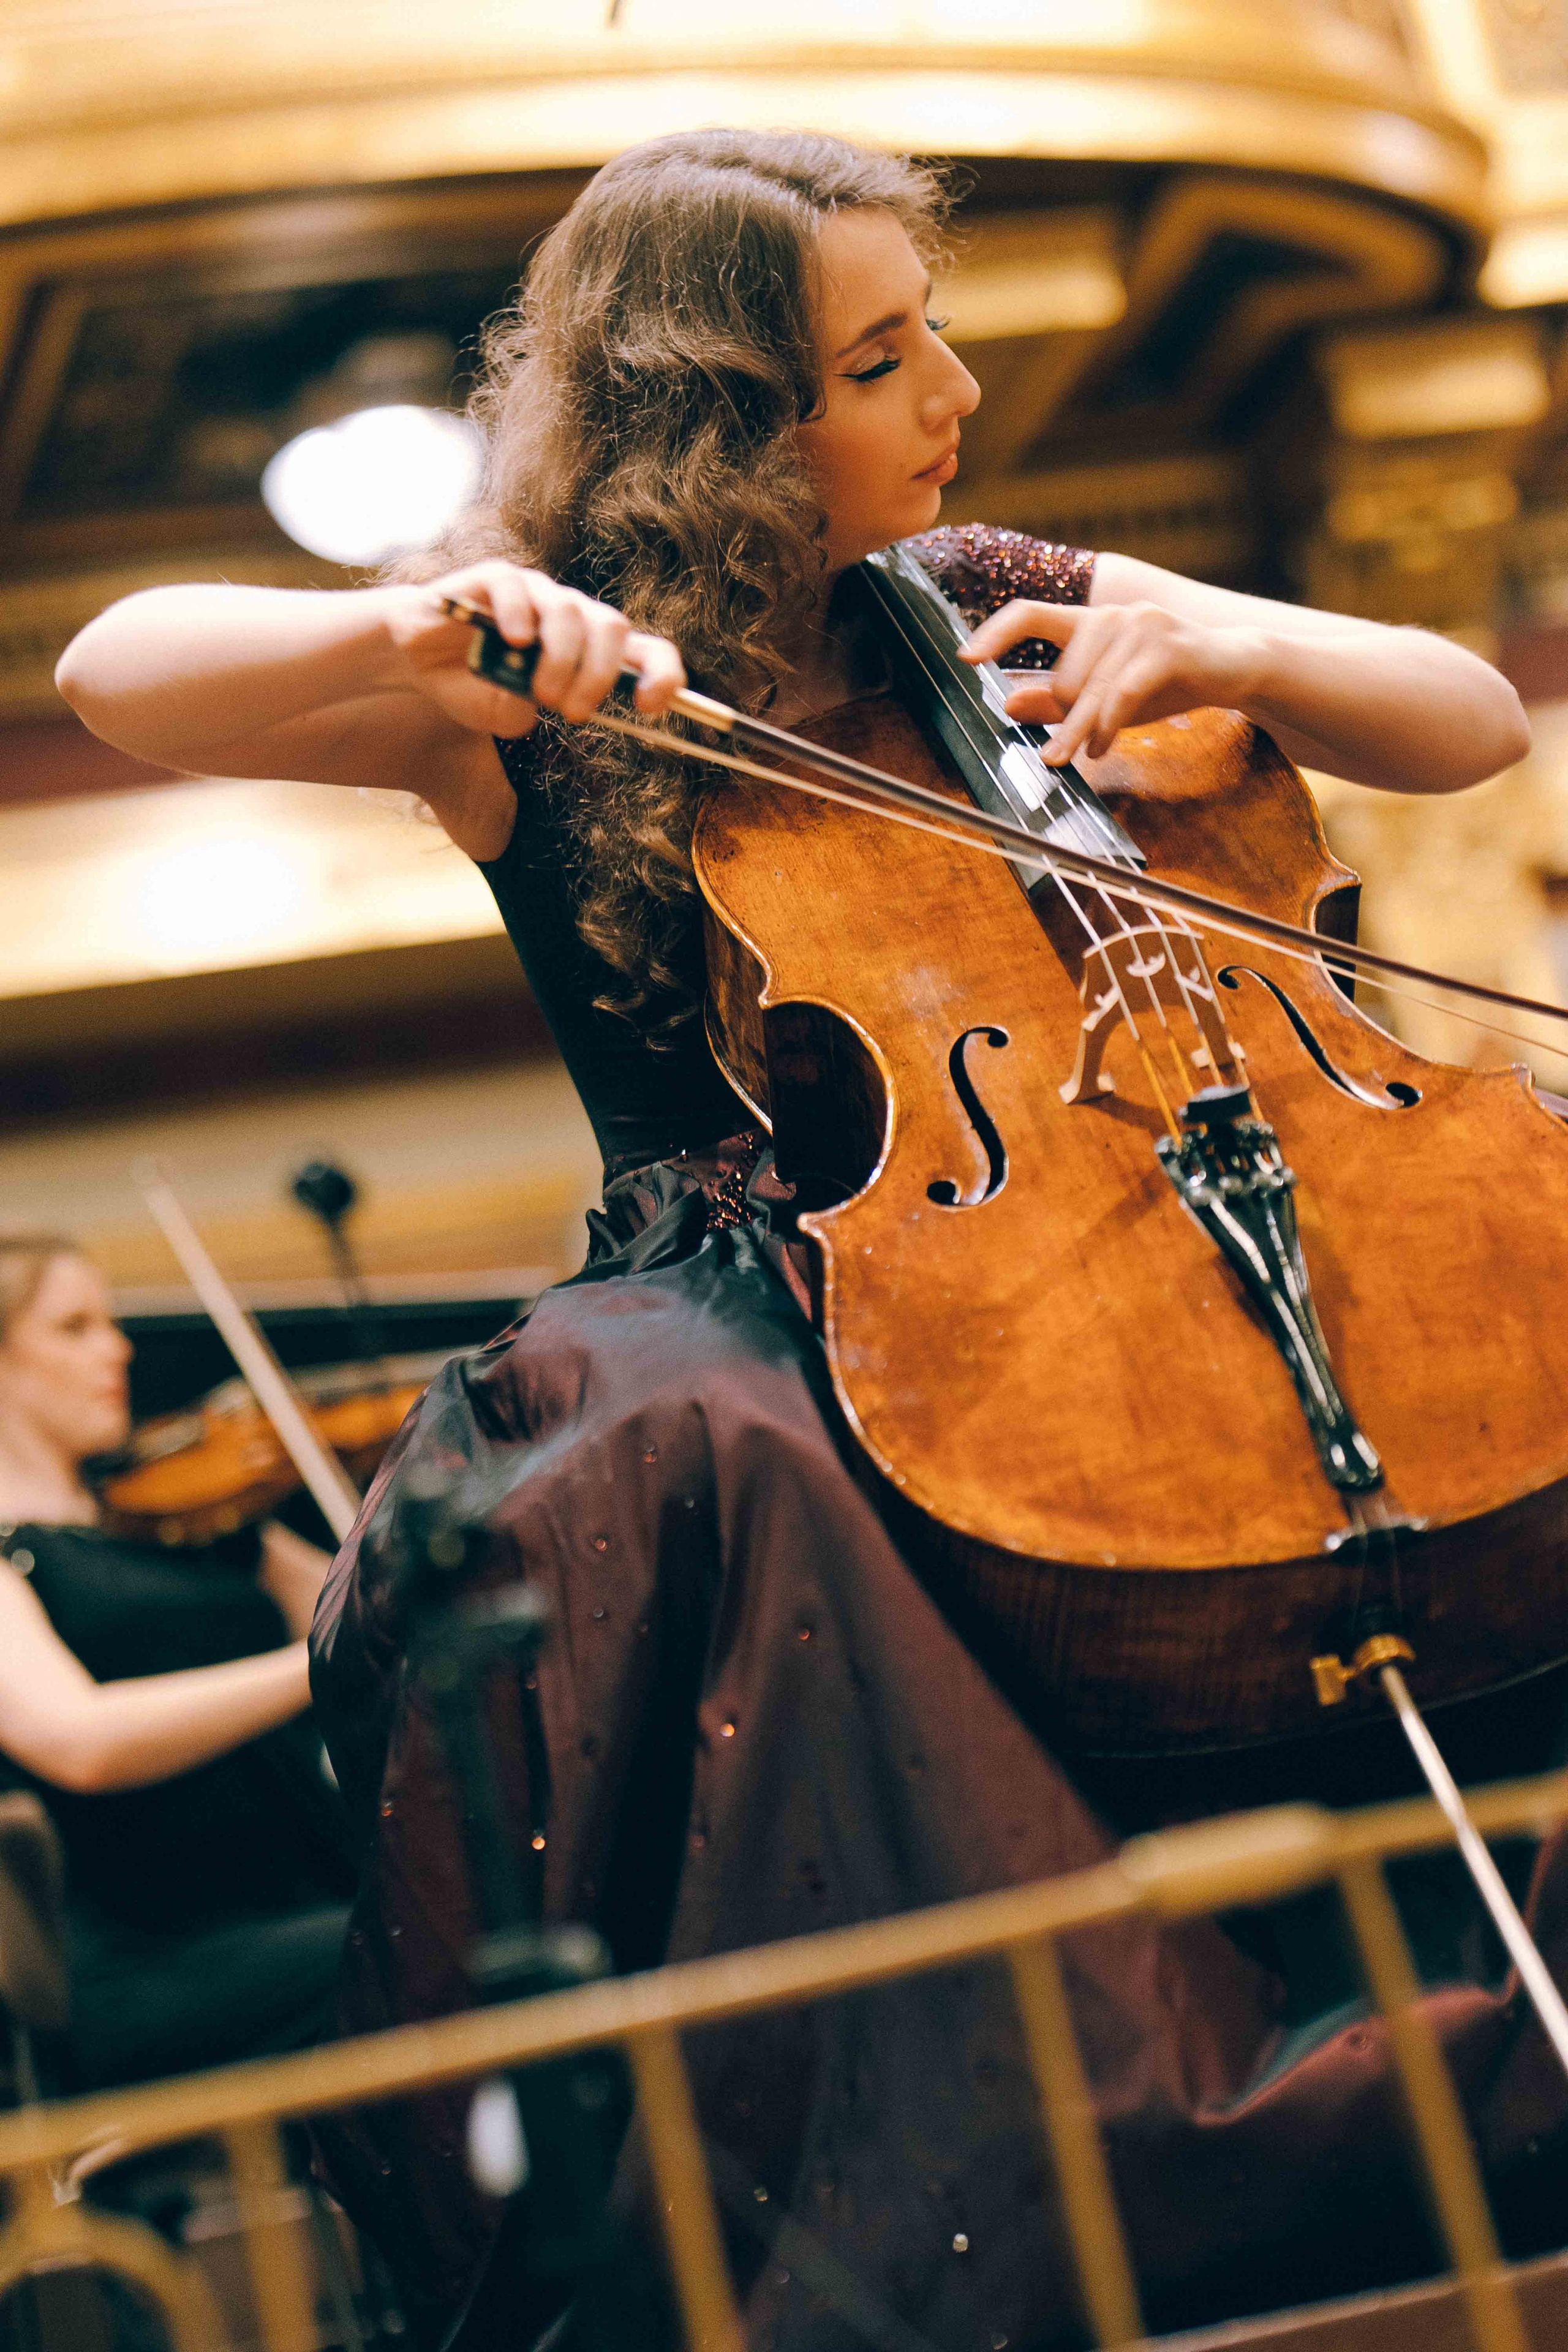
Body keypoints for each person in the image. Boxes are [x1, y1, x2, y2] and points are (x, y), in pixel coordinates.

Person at [54, 130, 1564, 2351]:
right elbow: (114, 667)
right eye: (878, 362)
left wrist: (1234, 633)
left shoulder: (992, 589)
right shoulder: (531, 679)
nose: (954, 387)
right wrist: (407, 622)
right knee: (698, 1436)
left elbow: (1474, 721)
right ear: (729, 420)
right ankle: (1071, 2142)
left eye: (926, 328)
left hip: (1143, 1181)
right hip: (763, 1278)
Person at [0, 1233, 355, 2090]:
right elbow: (81, 1740)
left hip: (318, 1893)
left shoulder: (183, 1516)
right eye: (75, 1327)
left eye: (110, 1322)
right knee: (436, 1949)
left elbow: (361, 1607)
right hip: (160, 1961)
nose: (118, 1349)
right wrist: (309, 1669)